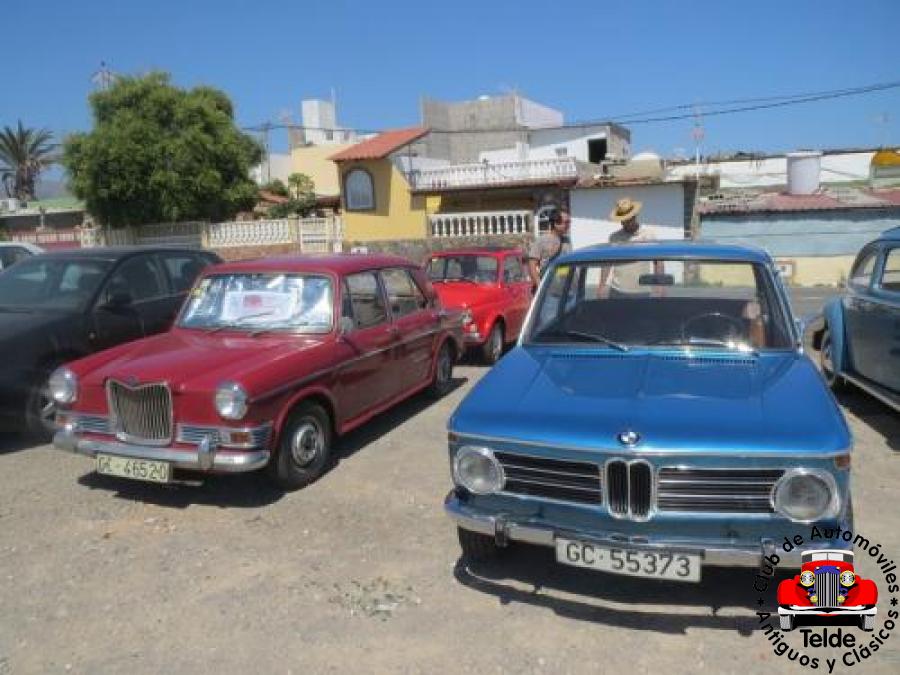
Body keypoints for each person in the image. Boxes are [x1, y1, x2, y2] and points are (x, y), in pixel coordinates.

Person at [599, 197, 664, 296]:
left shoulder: (648, 235)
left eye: (628, 219)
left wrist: (660, 286)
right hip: (617, 290)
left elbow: (658, 262)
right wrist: (602, 285)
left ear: (634, 216)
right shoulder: (614, 238)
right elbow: (607, 263)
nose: (625, 222)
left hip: (642, 291)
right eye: (623, 219)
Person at [527, 206, 572, 288]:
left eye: (569, 222)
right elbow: (532, 265)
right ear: (556, 223)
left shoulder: (567, 240)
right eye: (566, 222)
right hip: (548, 288)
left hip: (565, 288)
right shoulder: (542, 240)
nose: (568, 225)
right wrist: (540, 286)